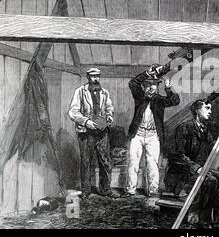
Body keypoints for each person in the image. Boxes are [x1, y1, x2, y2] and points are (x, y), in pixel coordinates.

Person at [164, 99, 219, 229]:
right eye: (207, 108)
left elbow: (214, 150)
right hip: (181, 174)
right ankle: (204, 222)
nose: (210, 111)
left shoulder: (205, 130)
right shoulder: (184, 127)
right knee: (210, 180)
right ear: (196, 110)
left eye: (210, 108)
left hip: (199, 170)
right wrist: (196, 168)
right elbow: (177, 155)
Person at [122, 64, 180, 198]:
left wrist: (168, 87)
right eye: (148, 85)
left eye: (154, 85)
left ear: (157, 87)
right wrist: (147, 73)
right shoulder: (139, 97)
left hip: (153, 136)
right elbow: (132, 83)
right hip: (137, 134)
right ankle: (131, 190)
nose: (151, 88)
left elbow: (175, 101)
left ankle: (153, 190)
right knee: (133, 162)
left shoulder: (159, 99)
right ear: (144, 86)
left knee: (153, 164)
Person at [68, 68, 117, 199]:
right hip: (86, 132)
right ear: (88, 78)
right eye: (92, 76)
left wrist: (109, 116)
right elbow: (73, 112)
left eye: (97, 76)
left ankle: (105, 189)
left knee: (105, 161)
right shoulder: (80, 92)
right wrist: (86, 121)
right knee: (86, 162)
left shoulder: (104, 92)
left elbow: (109, 108)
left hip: (101, 132)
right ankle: (86, 191)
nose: (95, 79)